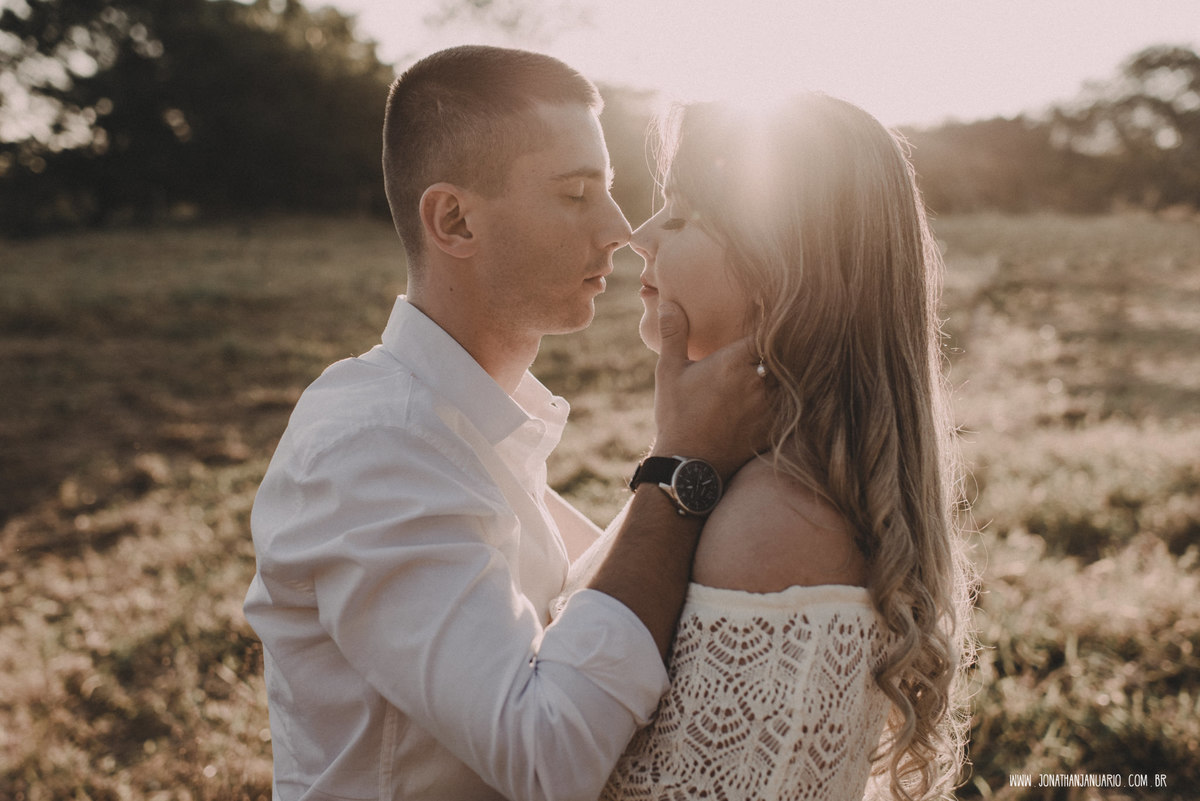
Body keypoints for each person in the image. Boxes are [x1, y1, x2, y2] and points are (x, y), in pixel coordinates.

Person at [242, 46, 767, 801]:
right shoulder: (373, 446)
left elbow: (602, 607)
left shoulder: (474, 424)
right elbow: (545, 757)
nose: (621, 228)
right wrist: (677, 467)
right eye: (578, 193)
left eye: (610, 188)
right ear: (454, 219)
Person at [556, 95, 975, 800]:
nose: (642, 233)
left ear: (786, 270)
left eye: (684, 215)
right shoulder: (758, 476)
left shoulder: (777, 525)